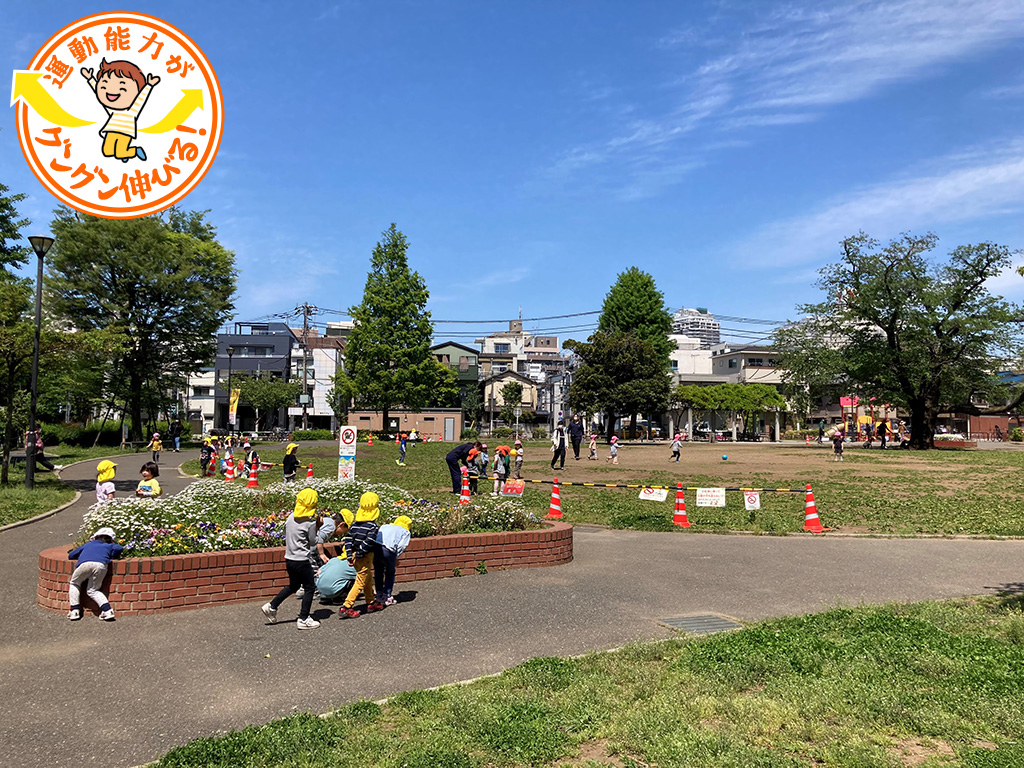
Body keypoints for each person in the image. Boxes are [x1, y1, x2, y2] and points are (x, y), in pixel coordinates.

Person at [261, 488, 322, 630]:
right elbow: (313, 542)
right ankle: (304, 618)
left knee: (293, 586)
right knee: (310, 588)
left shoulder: (291, 517)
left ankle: (272, 606)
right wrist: (318, 527)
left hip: (289, 558)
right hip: (302, 561)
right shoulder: (310, 524)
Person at [339, 492, 383, 618]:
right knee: (360, 581)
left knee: (367, 577)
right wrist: (360, 553)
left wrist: (349, 555)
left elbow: (347, 540)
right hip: (365, 556)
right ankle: (347, 606)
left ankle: (371, 602)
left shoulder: (354, 525)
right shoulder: (373, 526)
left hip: (353, 555)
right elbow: (369, 541)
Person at [67, 527, 123, 621]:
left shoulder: (88, 544)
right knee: (93, 590)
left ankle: (74, 611)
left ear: (95, 537)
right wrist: (113, 556)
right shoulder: (109, 546)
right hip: (101, 566)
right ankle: (108, 611)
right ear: (111, 539)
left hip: (84, 564)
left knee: (74, 584)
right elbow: (119, 548)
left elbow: (71, 555)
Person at [374, 514, 412, 606]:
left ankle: (378, 593)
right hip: (389, 550)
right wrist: (395, 557)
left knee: (378, 570)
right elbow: (402, 545)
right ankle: (387, 595)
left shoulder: (385, 526)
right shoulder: (406, 532)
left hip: (376, 547)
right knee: (390, 572)